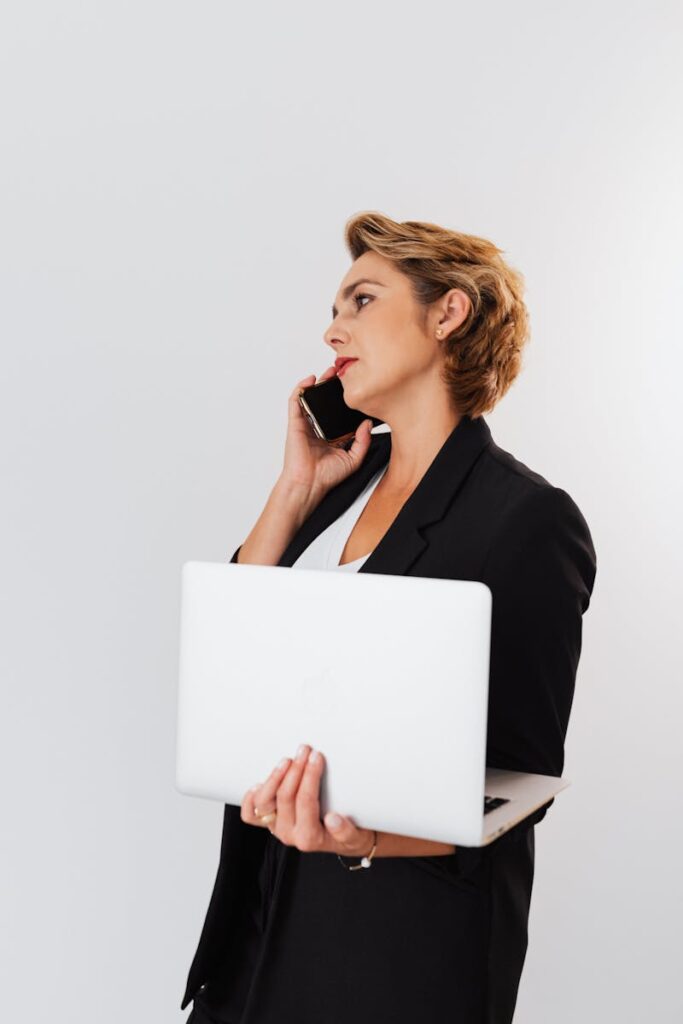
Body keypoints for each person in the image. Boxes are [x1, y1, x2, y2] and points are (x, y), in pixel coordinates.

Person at [181, 211, 598, 1024]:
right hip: (261, 919)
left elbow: (521, 782)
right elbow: (227, 647)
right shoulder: (338, 485)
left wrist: (360, 839)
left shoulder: (527, 519)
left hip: (395, 951)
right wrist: (292, 490)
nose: (333, 326)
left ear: (447, 314)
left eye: (361, 300)